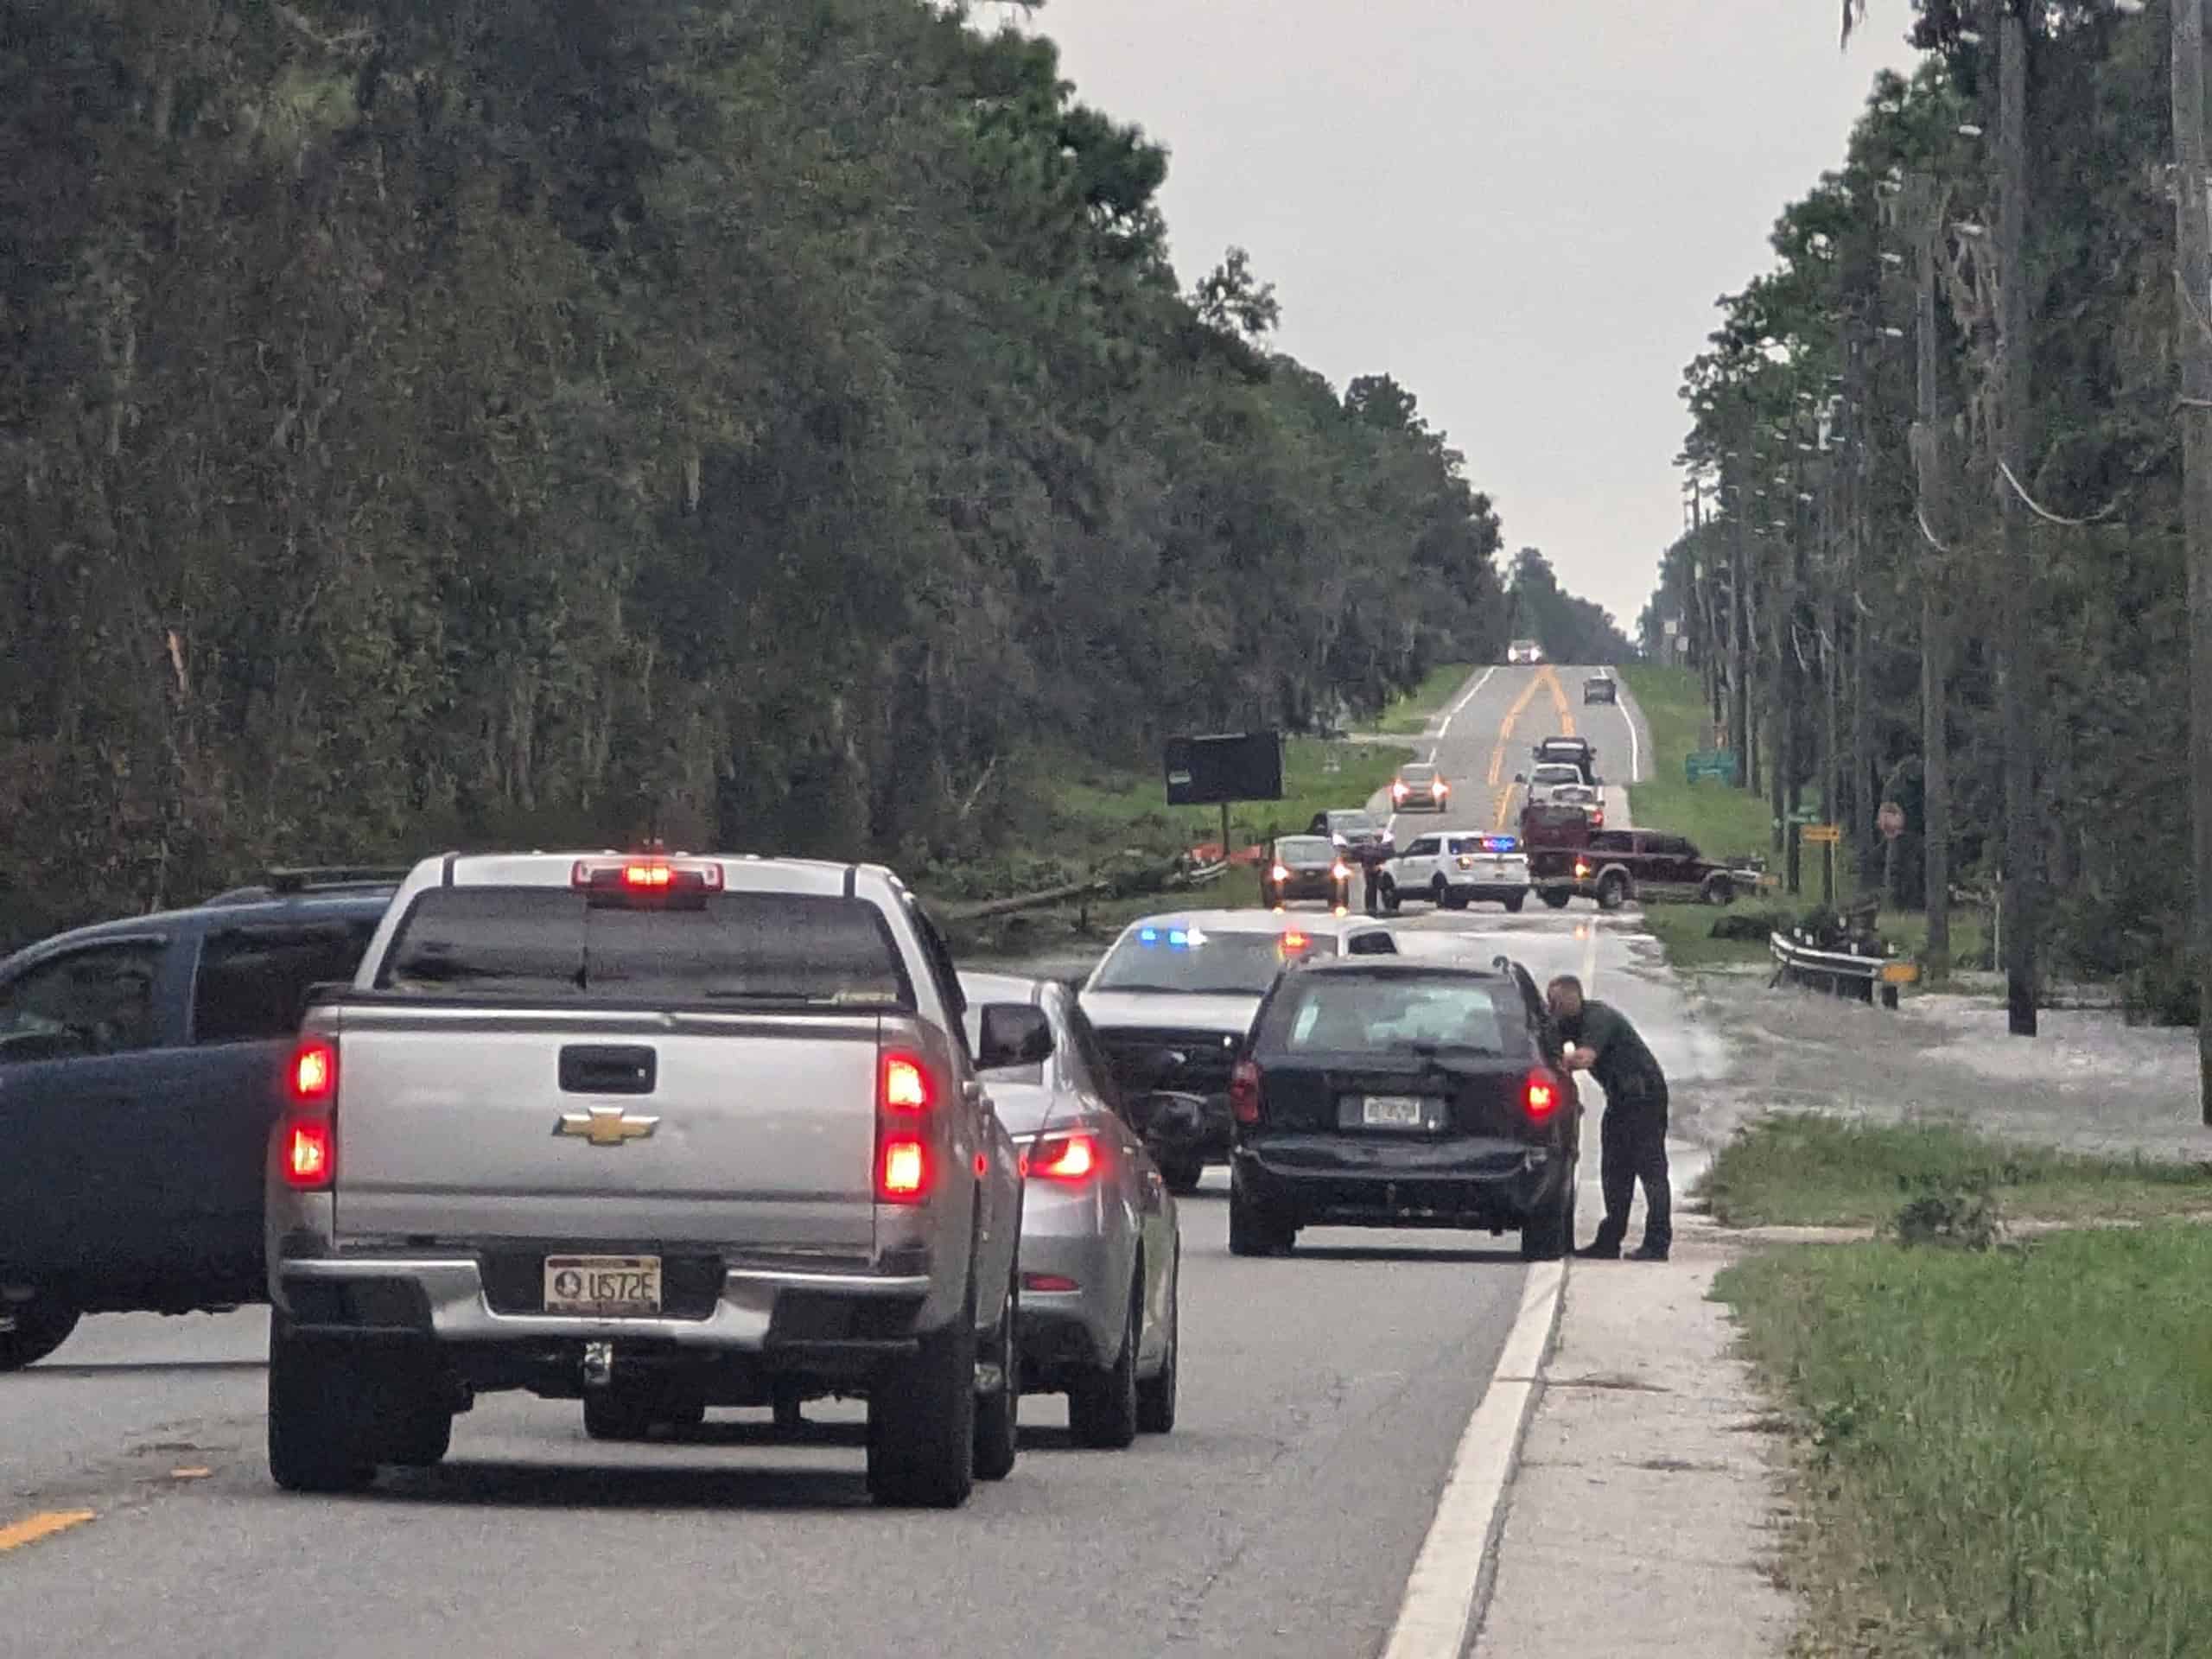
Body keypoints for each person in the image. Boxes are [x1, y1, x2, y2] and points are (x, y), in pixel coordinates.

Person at [1544, 974, 1670, 1262]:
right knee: (1614, 1168)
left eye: (1556, 1000)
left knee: (1650, 1170)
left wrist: (1557, 1064)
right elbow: (1547, 1046)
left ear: (1573, 997)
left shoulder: (1597, 1017)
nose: (1551, 1006)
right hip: (1620, 1098)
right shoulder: (1565, 1024)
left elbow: (1584, 1058)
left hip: (1645, 1095)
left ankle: (1658, 1242)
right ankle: (1609, 1240)